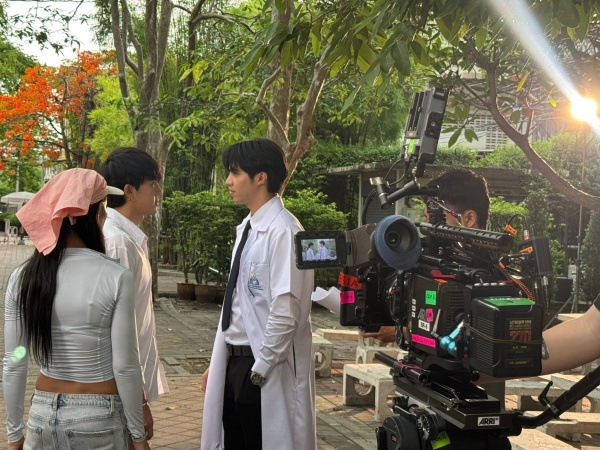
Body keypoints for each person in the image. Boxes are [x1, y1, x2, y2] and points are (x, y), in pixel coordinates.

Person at [3, 168, 150, 450]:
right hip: (98, 418)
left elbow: (16, 358)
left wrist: (14, 436)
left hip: (42, 418)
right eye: (103, 209)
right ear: (95, 215)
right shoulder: (115, 276)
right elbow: (125, 365)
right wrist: (138, 436)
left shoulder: (23, 278)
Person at [201, 138, 316, 450]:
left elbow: (286, 309)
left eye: (235, 173)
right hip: (237, 361)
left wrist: (259, 370)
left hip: (262, 365)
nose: (228, 181)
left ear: (261, 177)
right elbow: (239, 303)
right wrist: (220, 364)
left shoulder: (284, 231)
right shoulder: (249, 227)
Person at [98, 147, 169, 440]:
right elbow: (118, 329)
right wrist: (137, 402)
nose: (158, 192)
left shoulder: (128, 237)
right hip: (119, 391)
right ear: (129, 191)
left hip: (125, 386)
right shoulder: (118, 242)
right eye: (152, 185)